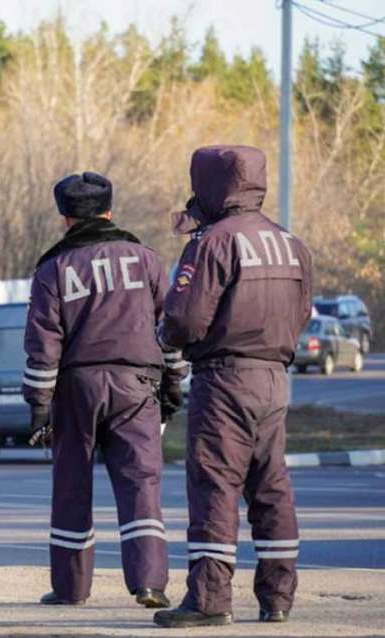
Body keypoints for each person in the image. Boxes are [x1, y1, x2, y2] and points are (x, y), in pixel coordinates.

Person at [154, 146, 313, 628]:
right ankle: (278, 597)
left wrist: (166, 337)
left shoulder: (213, 243)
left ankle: (209, 599)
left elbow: (183, 320)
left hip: (224, 378)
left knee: (215, 485)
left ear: (211, 185)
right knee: (271, 487)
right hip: (274, 378)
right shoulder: (291, 244)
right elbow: (303, 313)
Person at [23, 171, 183, 609]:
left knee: (72, 486)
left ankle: (71, 588)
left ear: (65, 218)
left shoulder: (53, 268)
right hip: (137, 385)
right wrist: (174, 386)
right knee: (140, 483)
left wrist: (38, 407)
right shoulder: (146, 260)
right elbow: (170, 329)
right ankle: (150, 583)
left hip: (76, 390)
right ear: (110, 212)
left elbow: (43, 344)